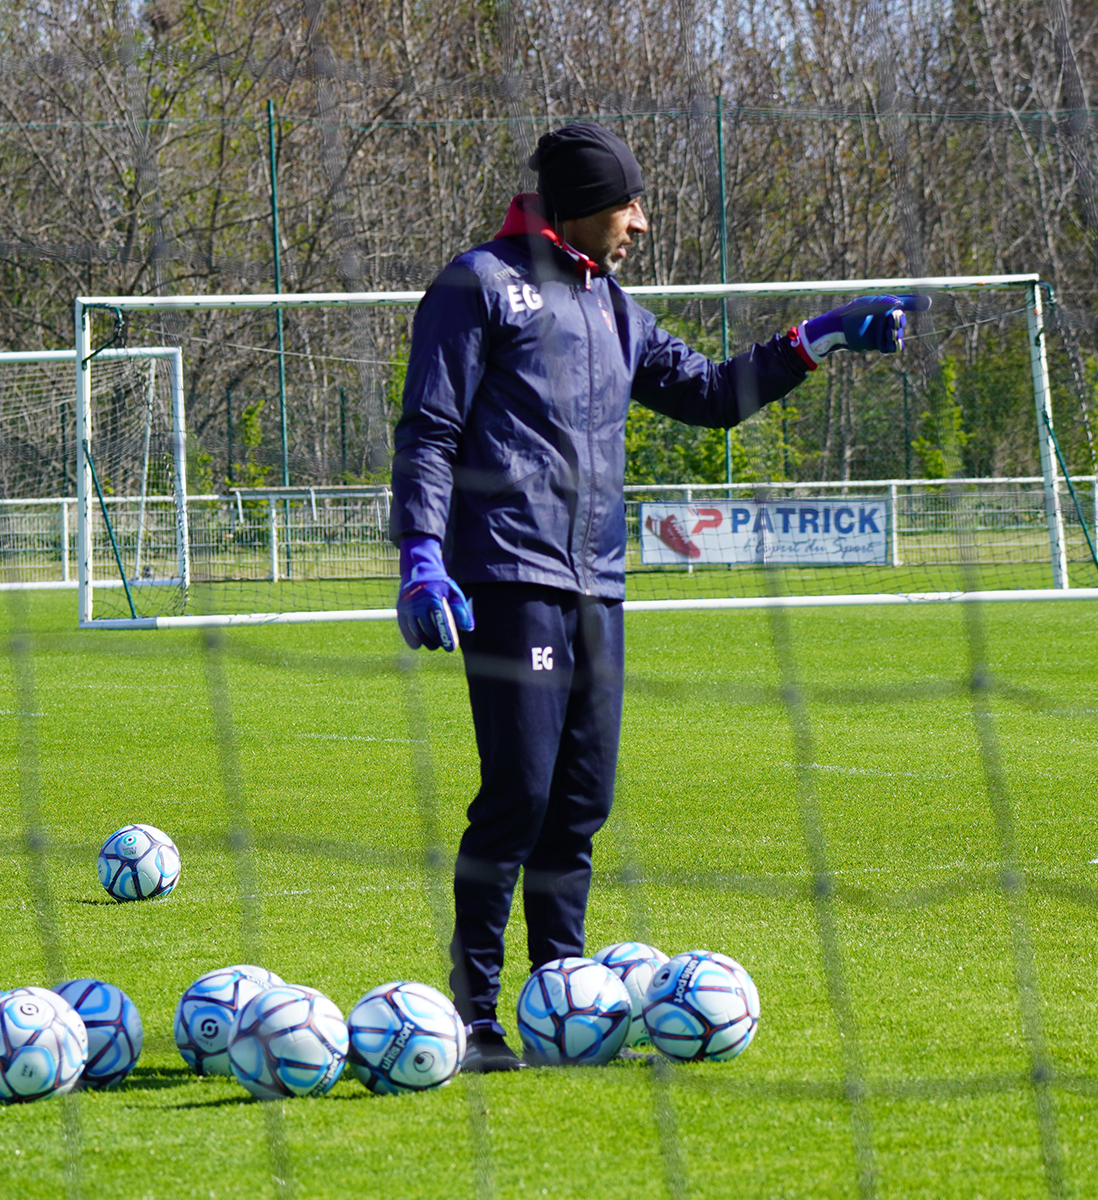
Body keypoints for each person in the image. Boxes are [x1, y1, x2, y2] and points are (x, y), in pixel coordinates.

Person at [391, 120, 922, 1072]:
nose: (639, 222)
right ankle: (472, 1017)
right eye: (630, 204)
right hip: (509, 576)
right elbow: (429, 428)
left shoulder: (613, 309)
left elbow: (715, 394)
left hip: (600, 583)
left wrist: (821, 337)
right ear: (589, 202)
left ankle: (562, 999)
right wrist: (423, 552)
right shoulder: (480, 283)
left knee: (580, 804)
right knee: (518, 793)